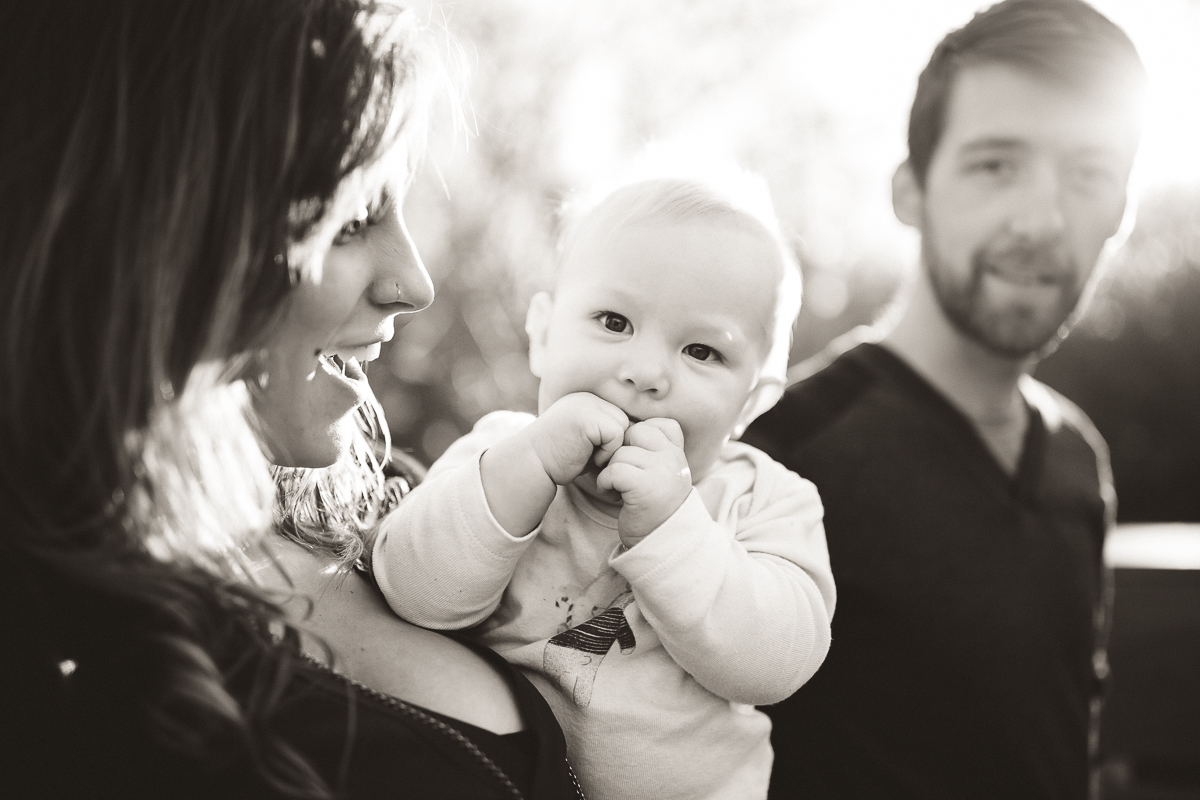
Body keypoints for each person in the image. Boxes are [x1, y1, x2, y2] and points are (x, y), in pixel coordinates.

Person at [0, 1, 579, 797]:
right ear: (155, 234)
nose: (414, 283)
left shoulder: (394, 509)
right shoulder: (61, 676)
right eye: (347, 220)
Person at [740, 1, 1144, 798]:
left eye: (1088, 174)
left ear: (1122, 214)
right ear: (909, 191)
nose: (1042, 219)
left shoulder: (1076, 460)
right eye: (996, 164)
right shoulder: (780, 459)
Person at [370, 171, 837, 800]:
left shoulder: (764, 502)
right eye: (614, 321)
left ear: (751, 405)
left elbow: (775, 664)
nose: (643, 373)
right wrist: (523, 473)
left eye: (701, 352)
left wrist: (675, 532)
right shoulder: (499, 455)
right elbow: (414, 591)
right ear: (542, 334)